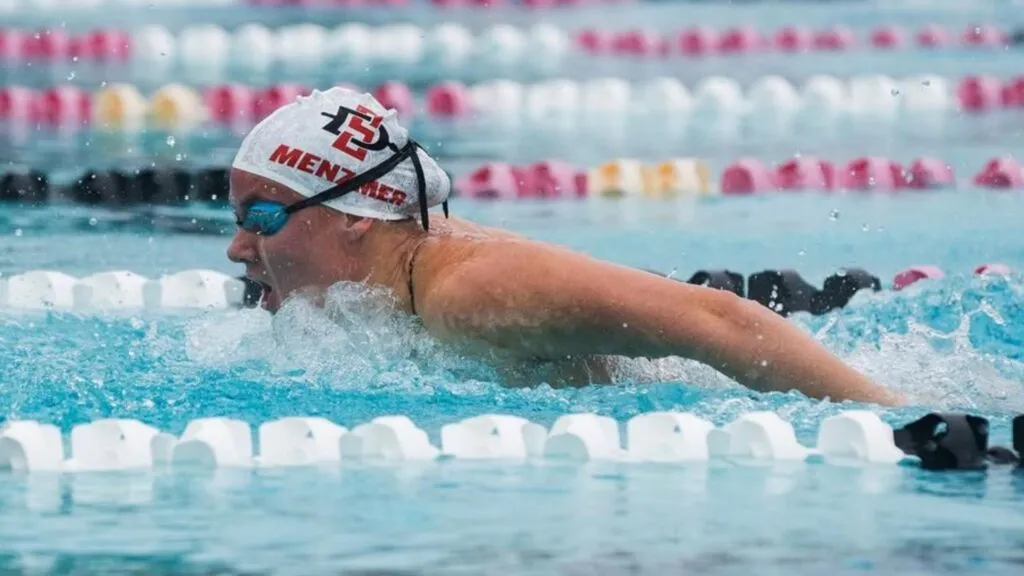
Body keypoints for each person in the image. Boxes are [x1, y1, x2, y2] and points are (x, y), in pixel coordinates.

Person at [227, 87, 903, 406]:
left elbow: (724, 322)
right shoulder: (395, 279)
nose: (237, 248)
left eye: (261, 218)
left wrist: (897, 421)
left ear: (357, 216)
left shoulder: (469, 293)